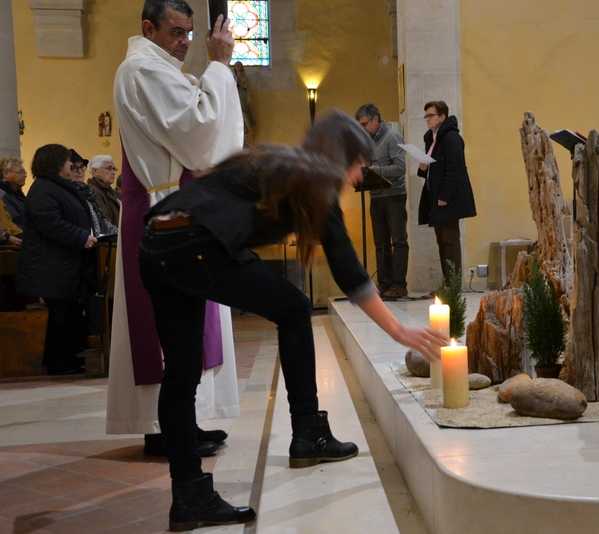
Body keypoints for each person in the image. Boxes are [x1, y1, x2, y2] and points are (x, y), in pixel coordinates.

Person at [138, 110, 446, 531]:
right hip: (195, 244)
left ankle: (190, 496)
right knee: (295, 308)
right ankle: (308, 433)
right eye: (359, 165)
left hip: (156, 245)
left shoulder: (277, 161)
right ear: (341, 157)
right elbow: (347, 267)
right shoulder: (313, 180)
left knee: (181, 373)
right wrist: (399, 329)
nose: (359, 177)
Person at [107, 0, 244, 458]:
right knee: (169, 327)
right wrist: (219, 67)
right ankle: (165, 429)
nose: (186, 42)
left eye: (189, 33)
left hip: (179, 203)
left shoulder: (158, 67)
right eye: (177, 33)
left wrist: (205, 80)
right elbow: (199, 137)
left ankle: (185, 421)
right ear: (149, 28)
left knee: (190, 325)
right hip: (163, 206)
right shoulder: (144, 69)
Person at [15, 144, 116, 374]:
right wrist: (82, 236)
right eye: (66, 160)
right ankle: (59, 364)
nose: (71, 165)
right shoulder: (43, 189)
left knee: (69, 316)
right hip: (50, 265)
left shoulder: (61, 188)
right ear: (55, 163)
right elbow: (49, 222)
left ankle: (69, 359)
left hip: (66, 265)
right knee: (61, 317)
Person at [416, 100, 477, 282]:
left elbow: (455, 169)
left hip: (449, 198)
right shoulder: (431, 138)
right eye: (425, 116)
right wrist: (423, 168)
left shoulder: (451, 138)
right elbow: (436, 167)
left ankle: (454, 285)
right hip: (436, 197)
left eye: (430, 115)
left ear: (442, 117)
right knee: (441, 242)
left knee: (450, 242)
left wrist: (444, 196)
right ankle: (447, 284)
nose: (427, 119)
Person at [355, 103, 409, 298]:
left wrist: (373, 170)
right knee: (381, 243)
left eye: (364, 124)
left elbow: (400, 168)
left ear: (375, 119)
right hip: (376, 195)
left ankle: (399, 285)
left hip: (394, 196)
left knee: (398, 241)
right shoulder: (368, 141)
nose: (362, 129)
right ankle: (384, 283)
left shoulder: (392, 137)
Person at [87, 155, 121, 226]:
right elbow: (105, 222)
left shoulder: (109, 190)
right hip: (111, 236)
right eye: (109, 168)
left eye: (114, 169)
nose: (113, 172)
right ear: (95, 171)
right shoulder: (93, 192)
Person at [0, 157, 29, 231]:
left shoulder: (17, 194)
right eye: (20, 172)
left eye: (24, 172)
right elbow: (13, 220)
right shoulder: (3, 195)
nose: (25, 175)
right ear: (6, 174)